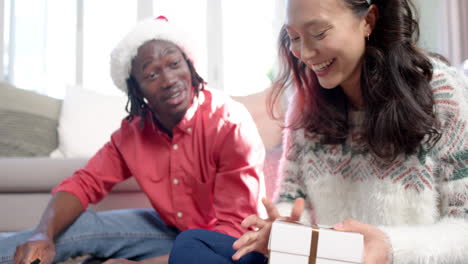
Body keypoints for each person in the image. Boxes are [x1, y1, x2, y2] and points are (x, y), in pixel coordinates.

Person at [0, 17, 266, 264]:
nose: (169, 80)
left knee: (191, 246)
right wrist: (42, 234)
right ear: (136, 89)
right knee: (80, 228)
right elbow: (84, 183)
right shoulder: (134, 133)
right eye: (152, 74)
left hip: (229, 248)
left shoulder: (229, 123)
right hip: (173, 231)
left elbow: (234, 235)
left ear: (190, 66)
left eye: (175, 64)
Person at [228, 0, 466, 263]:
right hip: (326, 258)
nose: (304, 53)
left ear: (368, 21)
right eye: (293, 37)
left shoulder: (441, 92)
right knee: (194, 245)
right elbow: (291, 199)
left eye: (318, 33)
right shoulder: (305, 103)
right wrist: (283, 230)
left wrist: (390, 248)